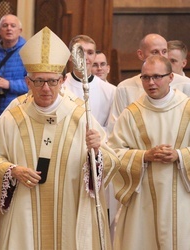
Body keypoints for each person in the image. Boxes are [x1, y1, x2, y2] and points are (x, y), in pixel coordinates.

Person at [0, 27, 120, 250]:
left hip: (69, 210)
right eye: (39, 81)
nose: (46, 88)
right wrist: (12, 170)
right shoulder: (13, 116)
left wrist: (96, 152)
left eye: (52, 81)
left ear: (63, 80)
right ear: (27, 82)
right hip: (24, 212)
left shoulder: (81, 115)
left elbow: (111, 162)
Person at [108, 55, 190, 250]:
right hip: (141, 198)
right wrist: (144, 156)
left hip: (182, 197)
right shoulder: (131, 114)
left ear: (171, 77)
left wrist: (179, 156)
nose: (151, 83)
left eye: (157, 77)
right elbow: (113, 153)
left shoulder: (187, 109)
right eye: (145, 77)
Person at [107, 33, 190, 134]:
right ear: (140, 54)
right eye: (155, 52)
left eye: (164, 52)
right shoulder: (125, 88)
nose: (161, 57)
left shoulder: (186, 85)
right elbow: (115, 130)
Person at [64, 35, 116, 132]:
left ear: (95, 57)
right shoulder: (61, 86)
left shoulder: (110, 90)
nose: (85, 57)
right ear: (70, 56)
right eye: (80, 52)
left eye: (90, 53)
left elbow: (112, 128)